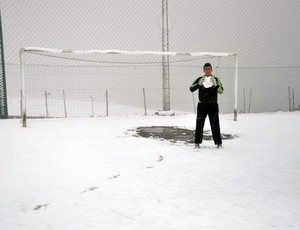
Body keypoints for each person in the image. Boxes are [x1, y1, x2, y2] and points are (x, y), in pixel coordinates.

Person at [189, 63, 224, 148]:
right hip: (202, 106)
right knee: (199, 124)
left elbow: (221, 91)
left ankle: (219, 143)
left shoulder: (216, 79)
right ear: (203, 70)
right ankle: (197, 143)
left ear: (211, 70)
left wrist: (216, 85)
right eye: (206, 69)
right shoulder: (199, 79)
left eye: (209, 69)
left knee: (215, 124)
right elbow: (191, 89)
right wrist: (198, 84)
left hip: (213, 106)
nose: (207, 70)